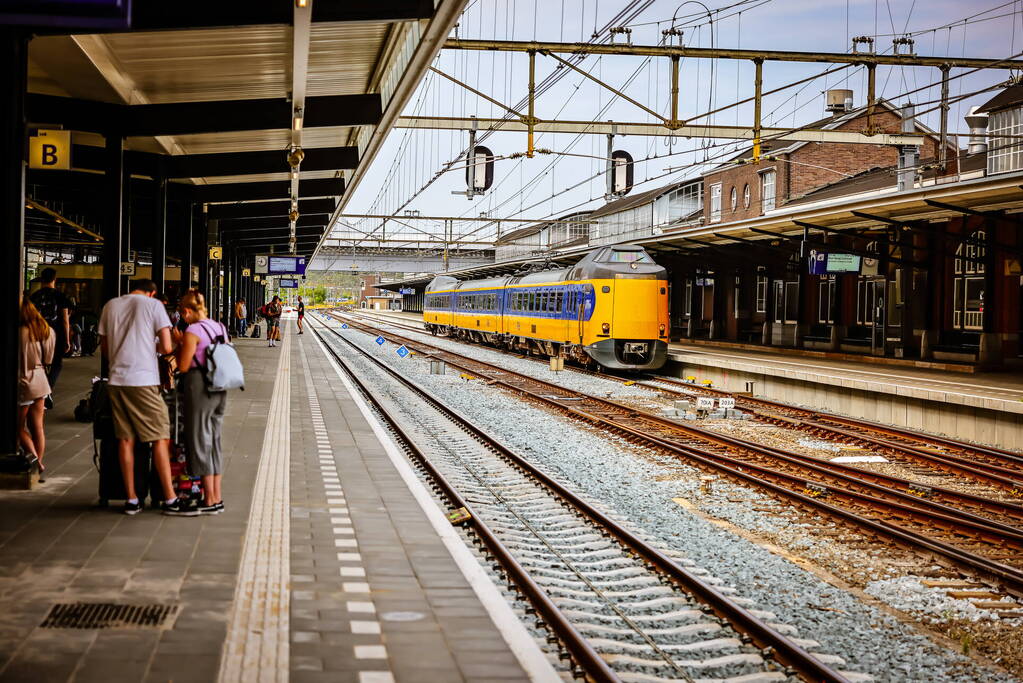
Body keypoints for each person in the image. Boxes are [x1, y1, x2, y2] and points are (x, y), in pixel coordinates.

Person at [99, 279, 197, 516]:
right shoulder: (154, 306)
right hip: (143, 380)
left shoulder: (111, 305)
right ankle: (170, 498)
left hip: (116, 380)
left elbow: (104, 348)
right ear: (152, 293)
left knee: (125, 439)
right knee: (160, 437)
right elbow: (165, 347)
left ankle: (132, 499)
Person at [176, 290, 227, 515]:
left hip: (199, 385)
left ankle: (207, 500)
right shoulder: (219, 327)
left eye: (182, 313)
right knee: (214, 441)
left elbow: (184, 365)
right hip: (220, 385)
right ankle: (216, 497)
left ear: (187, 311)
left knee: (198, 441)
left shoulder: (192, 331)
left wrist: (179, 342)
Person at [19, 294, 55, 482]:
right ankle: (38, 461)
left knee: (15, 428)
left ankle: (35, 462)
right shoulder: (46, 330)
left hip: (23, 381)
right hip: (41, 380)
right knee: (37, 427)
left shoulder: (19, 332)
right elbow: (48, 360)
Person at [30, 267, 71, 406]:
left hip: (36, 335)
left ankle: (41, 392)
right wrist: (67, 340)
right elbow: (65, 320)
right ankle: (47, 391)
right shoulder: (60, 296)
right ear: (54, 280)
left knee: (40, 364)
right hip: (56, 335)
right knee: (57, 364)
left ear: (41, 279)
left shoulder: (33, 297)